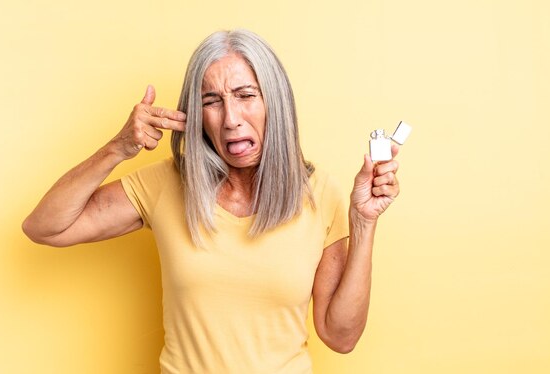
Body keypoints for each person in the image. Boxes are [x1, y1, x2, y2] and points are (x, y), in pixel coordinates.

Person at [23, 29, 401, 373]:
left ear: (276, 102)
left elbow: (340, 337)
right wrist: (118, 148)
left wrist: (363, 223)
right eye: (212, 101)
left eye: (245, 95)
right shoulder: (166, 183)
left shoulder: (321, 195)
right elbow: (44, 227)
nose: (231, 118)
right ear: (195, 114)